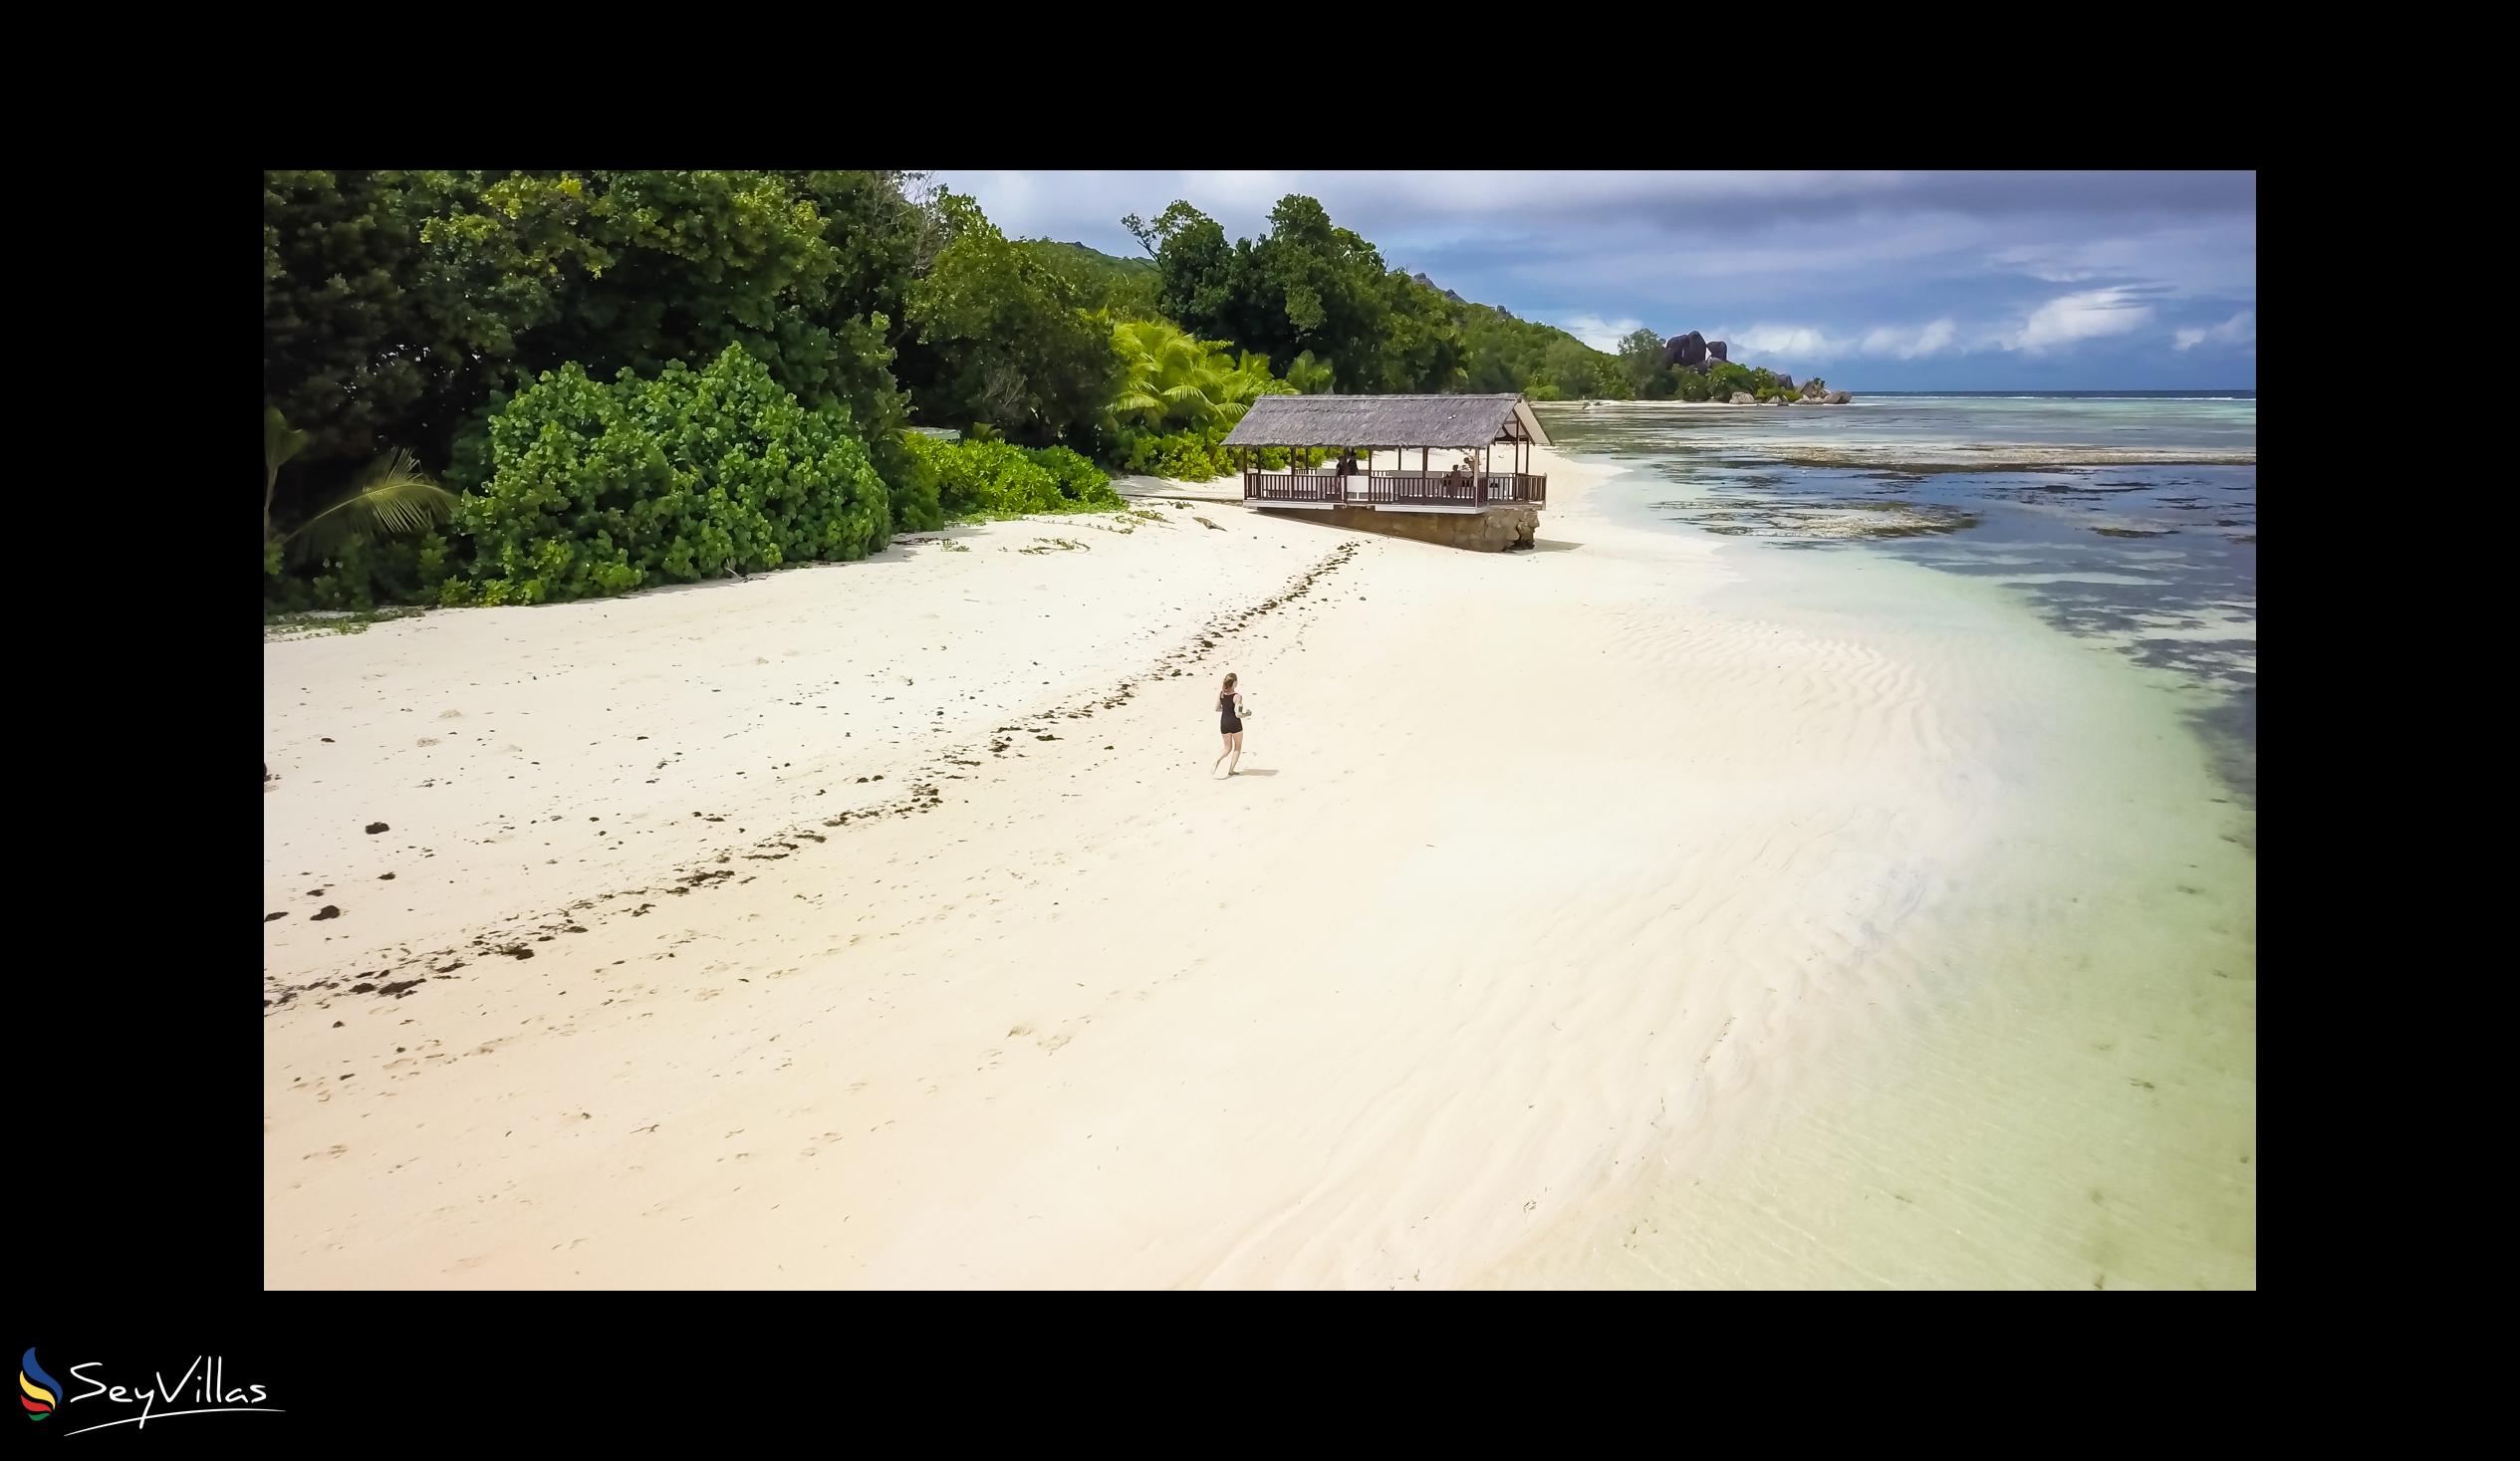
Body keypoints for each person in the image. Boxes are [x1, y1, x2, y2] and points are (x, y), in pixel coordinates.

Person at [1211, 672, 1246, 778]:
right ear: (1234, 683)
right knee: (1237, 747)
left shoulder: (1221, 694)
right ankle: (1231, 770)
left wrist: (1226, 709)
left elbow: (1217, 708)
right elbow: (1239, 714)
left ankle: (1217, 760)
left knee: (1227, 748)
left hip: (1224, 722)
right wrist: (1247, 713)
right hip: (1235, 723)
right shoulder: (1237, 697)